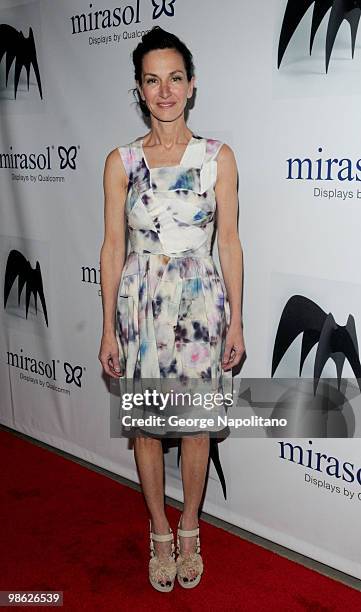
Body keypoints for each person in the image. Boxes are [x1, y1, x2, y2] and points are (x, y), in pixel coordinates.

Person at [98, 26, 245, 593]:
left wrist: (237, 318)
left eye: (175, 78)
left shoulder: (218, 158)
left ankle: (190, 528)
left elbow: (228, 241)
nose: (164, 91)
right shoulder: (121, 162)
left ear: (191, 86)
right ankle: (159, 529)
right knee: (148, 430)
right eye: (152, 80)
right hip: (139, 304)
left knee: (195, 428)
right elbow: (113, 247)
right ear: (139, 89)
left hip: (200, 305)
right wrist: (109, 325)